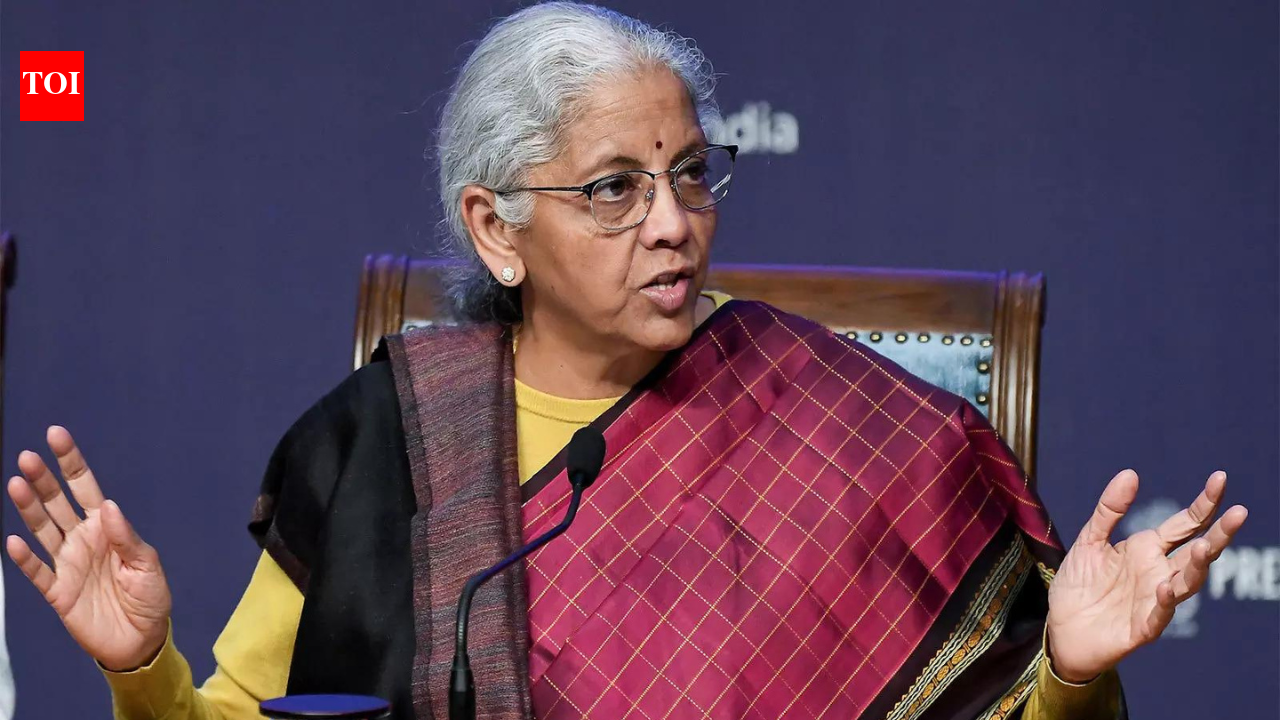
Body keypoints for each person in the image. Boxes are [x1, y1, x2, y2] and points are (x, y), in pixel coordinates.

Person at [5, 3, 1248, 719]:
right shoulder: (388, 438)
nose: (672, 223)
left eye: (690, 174)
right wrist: (141, 667)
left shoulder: (849, 426)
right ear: (495, 229)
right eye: (612, 189)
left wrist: (1070, 676)